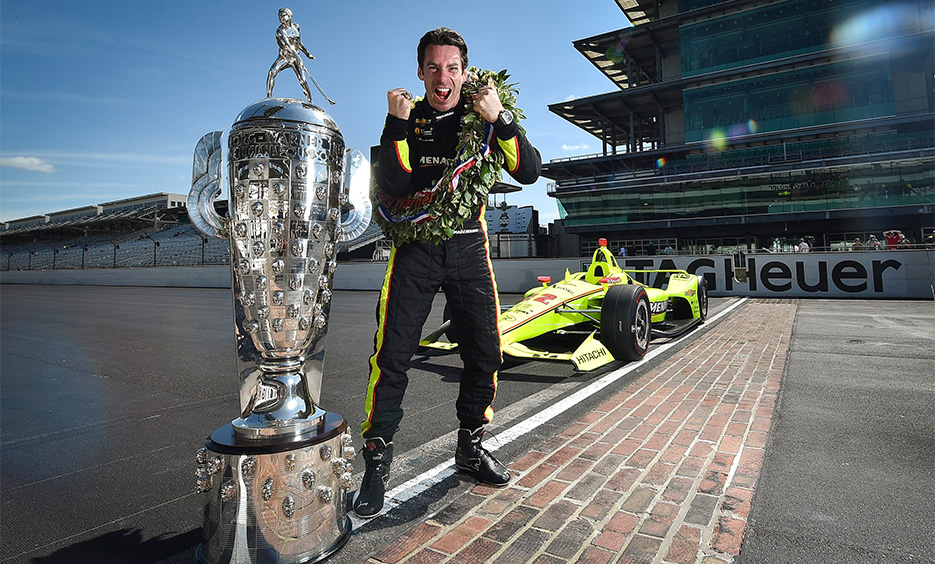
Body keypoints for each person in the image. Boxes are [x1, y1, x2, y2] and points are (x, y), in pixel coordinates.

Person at [354, 27, 541, 519]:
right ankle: (376, 461)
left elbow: (529, 172)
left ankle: (471, 445)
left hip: (468, 248)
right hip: (414, 250)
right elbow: (392, 183)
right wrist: (393, 126)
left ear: (464, 70)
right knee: (392, 357)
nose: (443, 77)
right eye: (433, 68)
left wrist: (498, 117)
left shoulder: (482, 115)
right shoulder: (406, 118)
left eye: (452, 67)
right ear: (420, 72)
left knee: (485, 351)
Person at [265, 8, 320, 103]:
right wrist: (299, 59)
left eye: (283, 15)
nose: (280, 18)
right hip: (284, 57)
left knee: (302, 80)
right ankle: (269, 96)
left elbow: (298, 43)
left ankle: (310, 101)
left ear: (290, 16)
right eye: (279, 16)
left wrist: (307, 54)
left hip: (295, 57)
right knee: (272, 72)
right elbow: (288, 46)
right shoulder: (280, 31)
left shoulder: (296, 26)